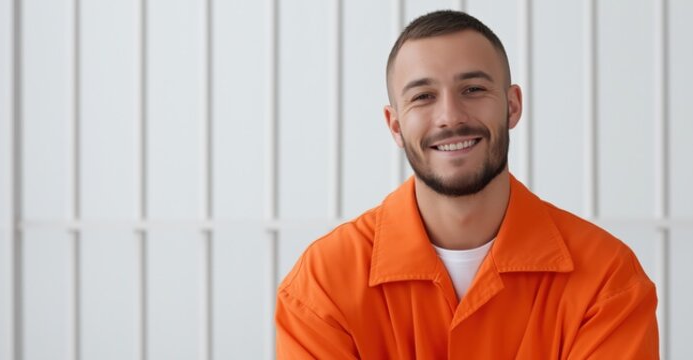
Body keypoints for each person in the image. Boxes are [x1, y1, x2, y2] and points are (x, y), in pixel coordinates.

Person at [275, 10, 659, 359]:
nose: (450, 117)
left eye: (473, 90)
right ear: (394, 125)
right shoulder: (322, 283)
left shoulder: (607, 279)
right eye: (423, 97)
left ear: (512, 106)